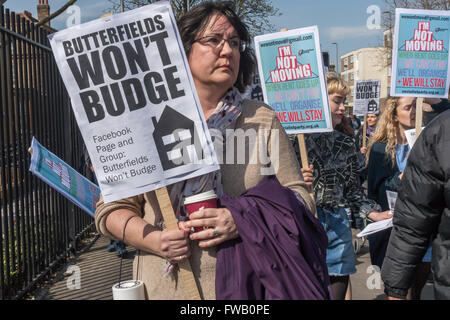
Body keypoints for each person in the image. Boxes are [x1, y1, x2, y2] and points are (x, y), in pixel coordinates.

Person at [95, 1, 315, 300]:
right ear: (181, 51)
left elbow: (302, 200)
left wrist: (242, 220)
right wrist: (156, 241)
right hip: (164, 287)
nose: (227, 51)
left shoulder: (261, 118)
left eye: (235, 43)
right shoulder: (146, 122)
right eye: (213, 40)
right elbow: (111, 211)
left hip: (245, 288)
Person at [293, 72, 386, 300]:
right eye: (337, 100)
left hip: (337, 228)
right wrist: (296, 182)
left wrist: (374, 214)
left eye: (344, 101)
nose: (343, 107)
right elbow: (272, 189)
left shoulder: (345, 143)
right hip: (302, 225)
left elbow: (354, 192)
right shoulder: (292, 142)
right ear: (319, 101)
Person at [381, 109, 450, 300]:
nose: (413, 112)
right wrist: (396, 287)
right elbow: (413, 219)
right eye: (407, 107)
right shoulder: (441, 132)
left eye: (415, 107)